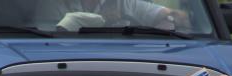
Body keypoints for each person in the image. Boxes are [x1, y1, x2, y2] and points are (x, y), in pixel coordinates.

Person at [36, 0, 189, 31]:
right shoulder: (53, 4)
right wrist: (103, 19)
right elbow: (41, 39)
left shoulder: (124, 3)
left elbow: (183, 17)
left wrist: (169, 19)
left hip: (120, 61)